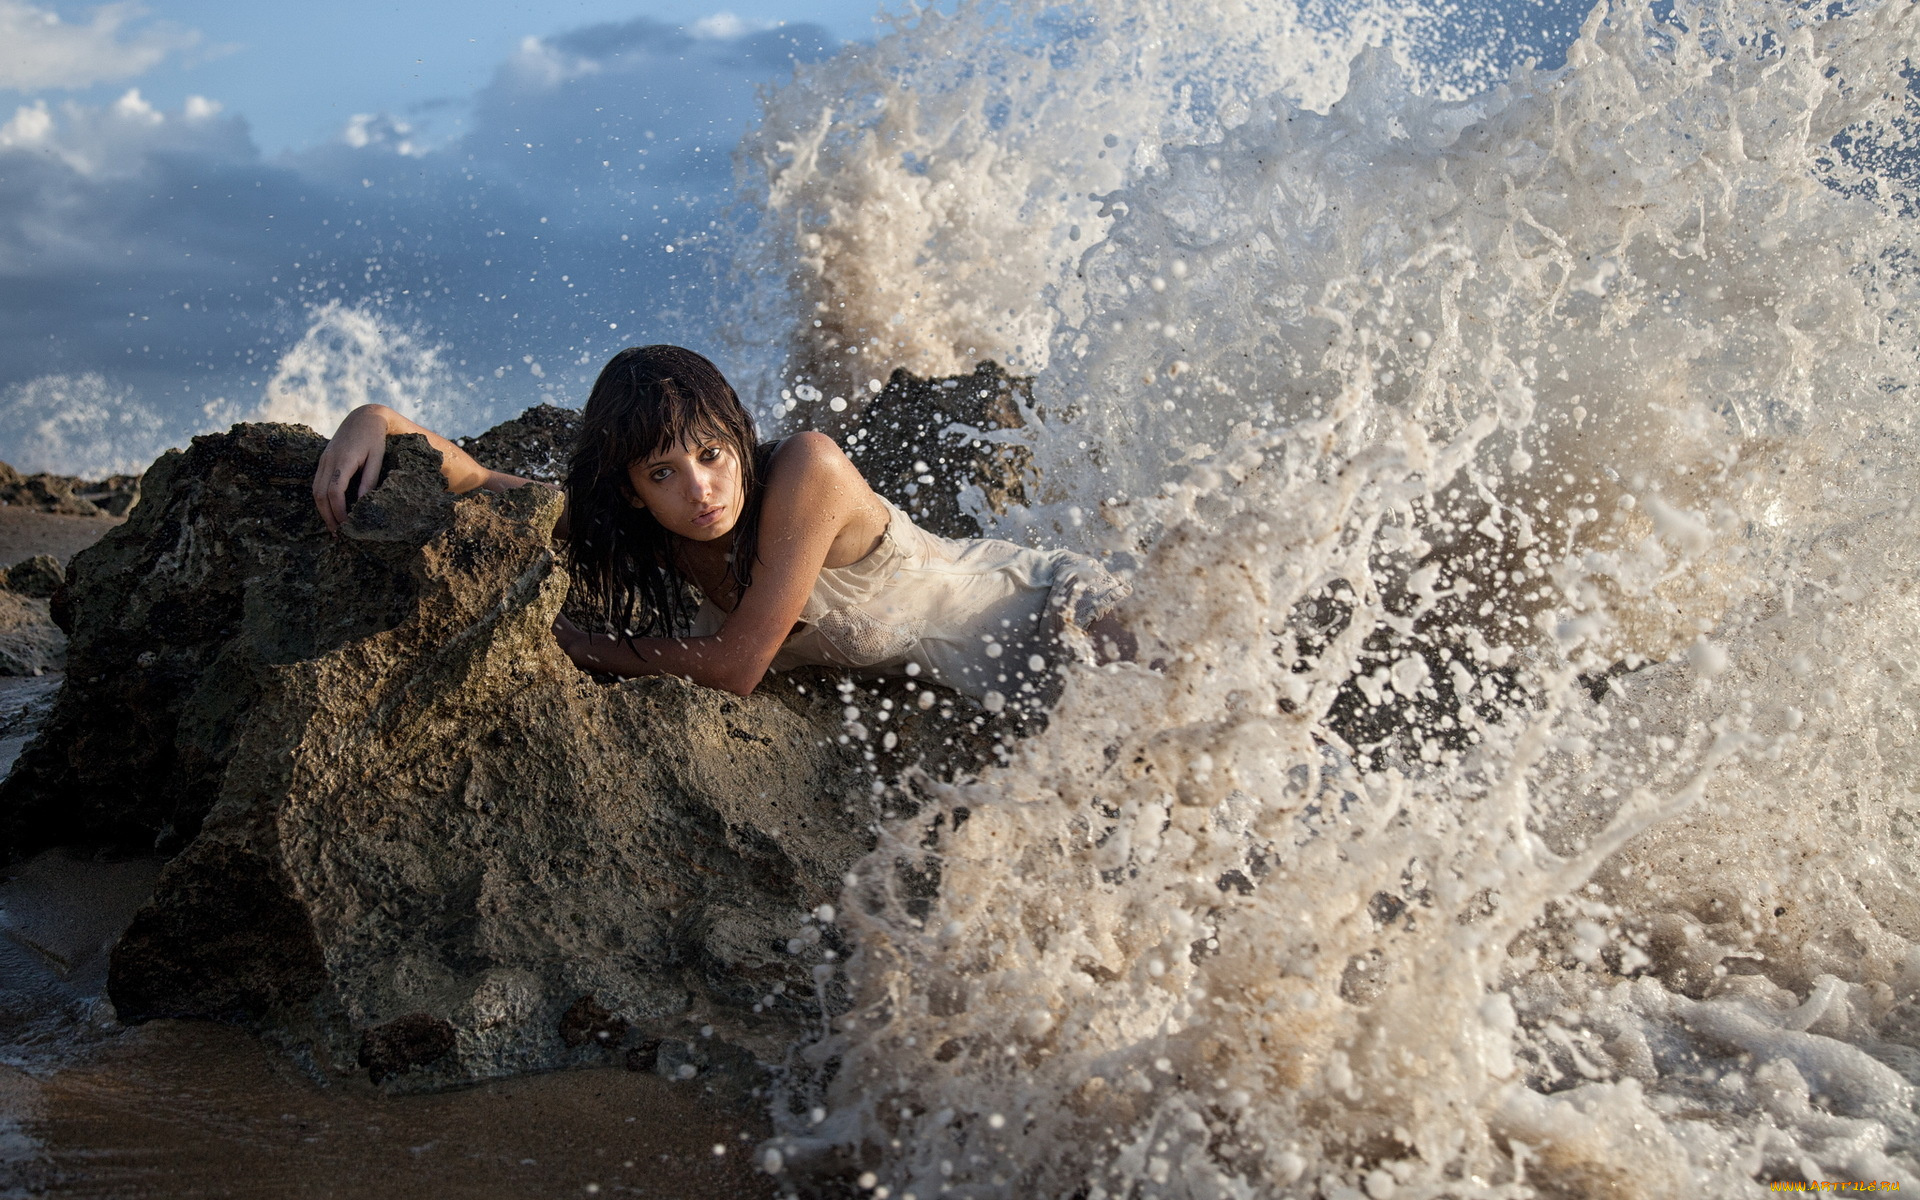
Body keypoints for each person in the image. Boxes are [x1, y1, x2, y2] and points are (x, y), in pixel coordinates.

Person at [312, 344, 1129, 710]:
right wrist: (376, 419)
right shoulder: (644, 529)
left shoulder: (807, 470)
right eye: (663, 473)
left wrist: (569, 643)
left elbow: (737, 666)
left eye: (711, 454)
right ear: (630, 489)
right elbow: (487, 482)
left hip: (1050, 614)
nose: (700, 489)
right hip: (975, 686)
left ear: (739, 438)